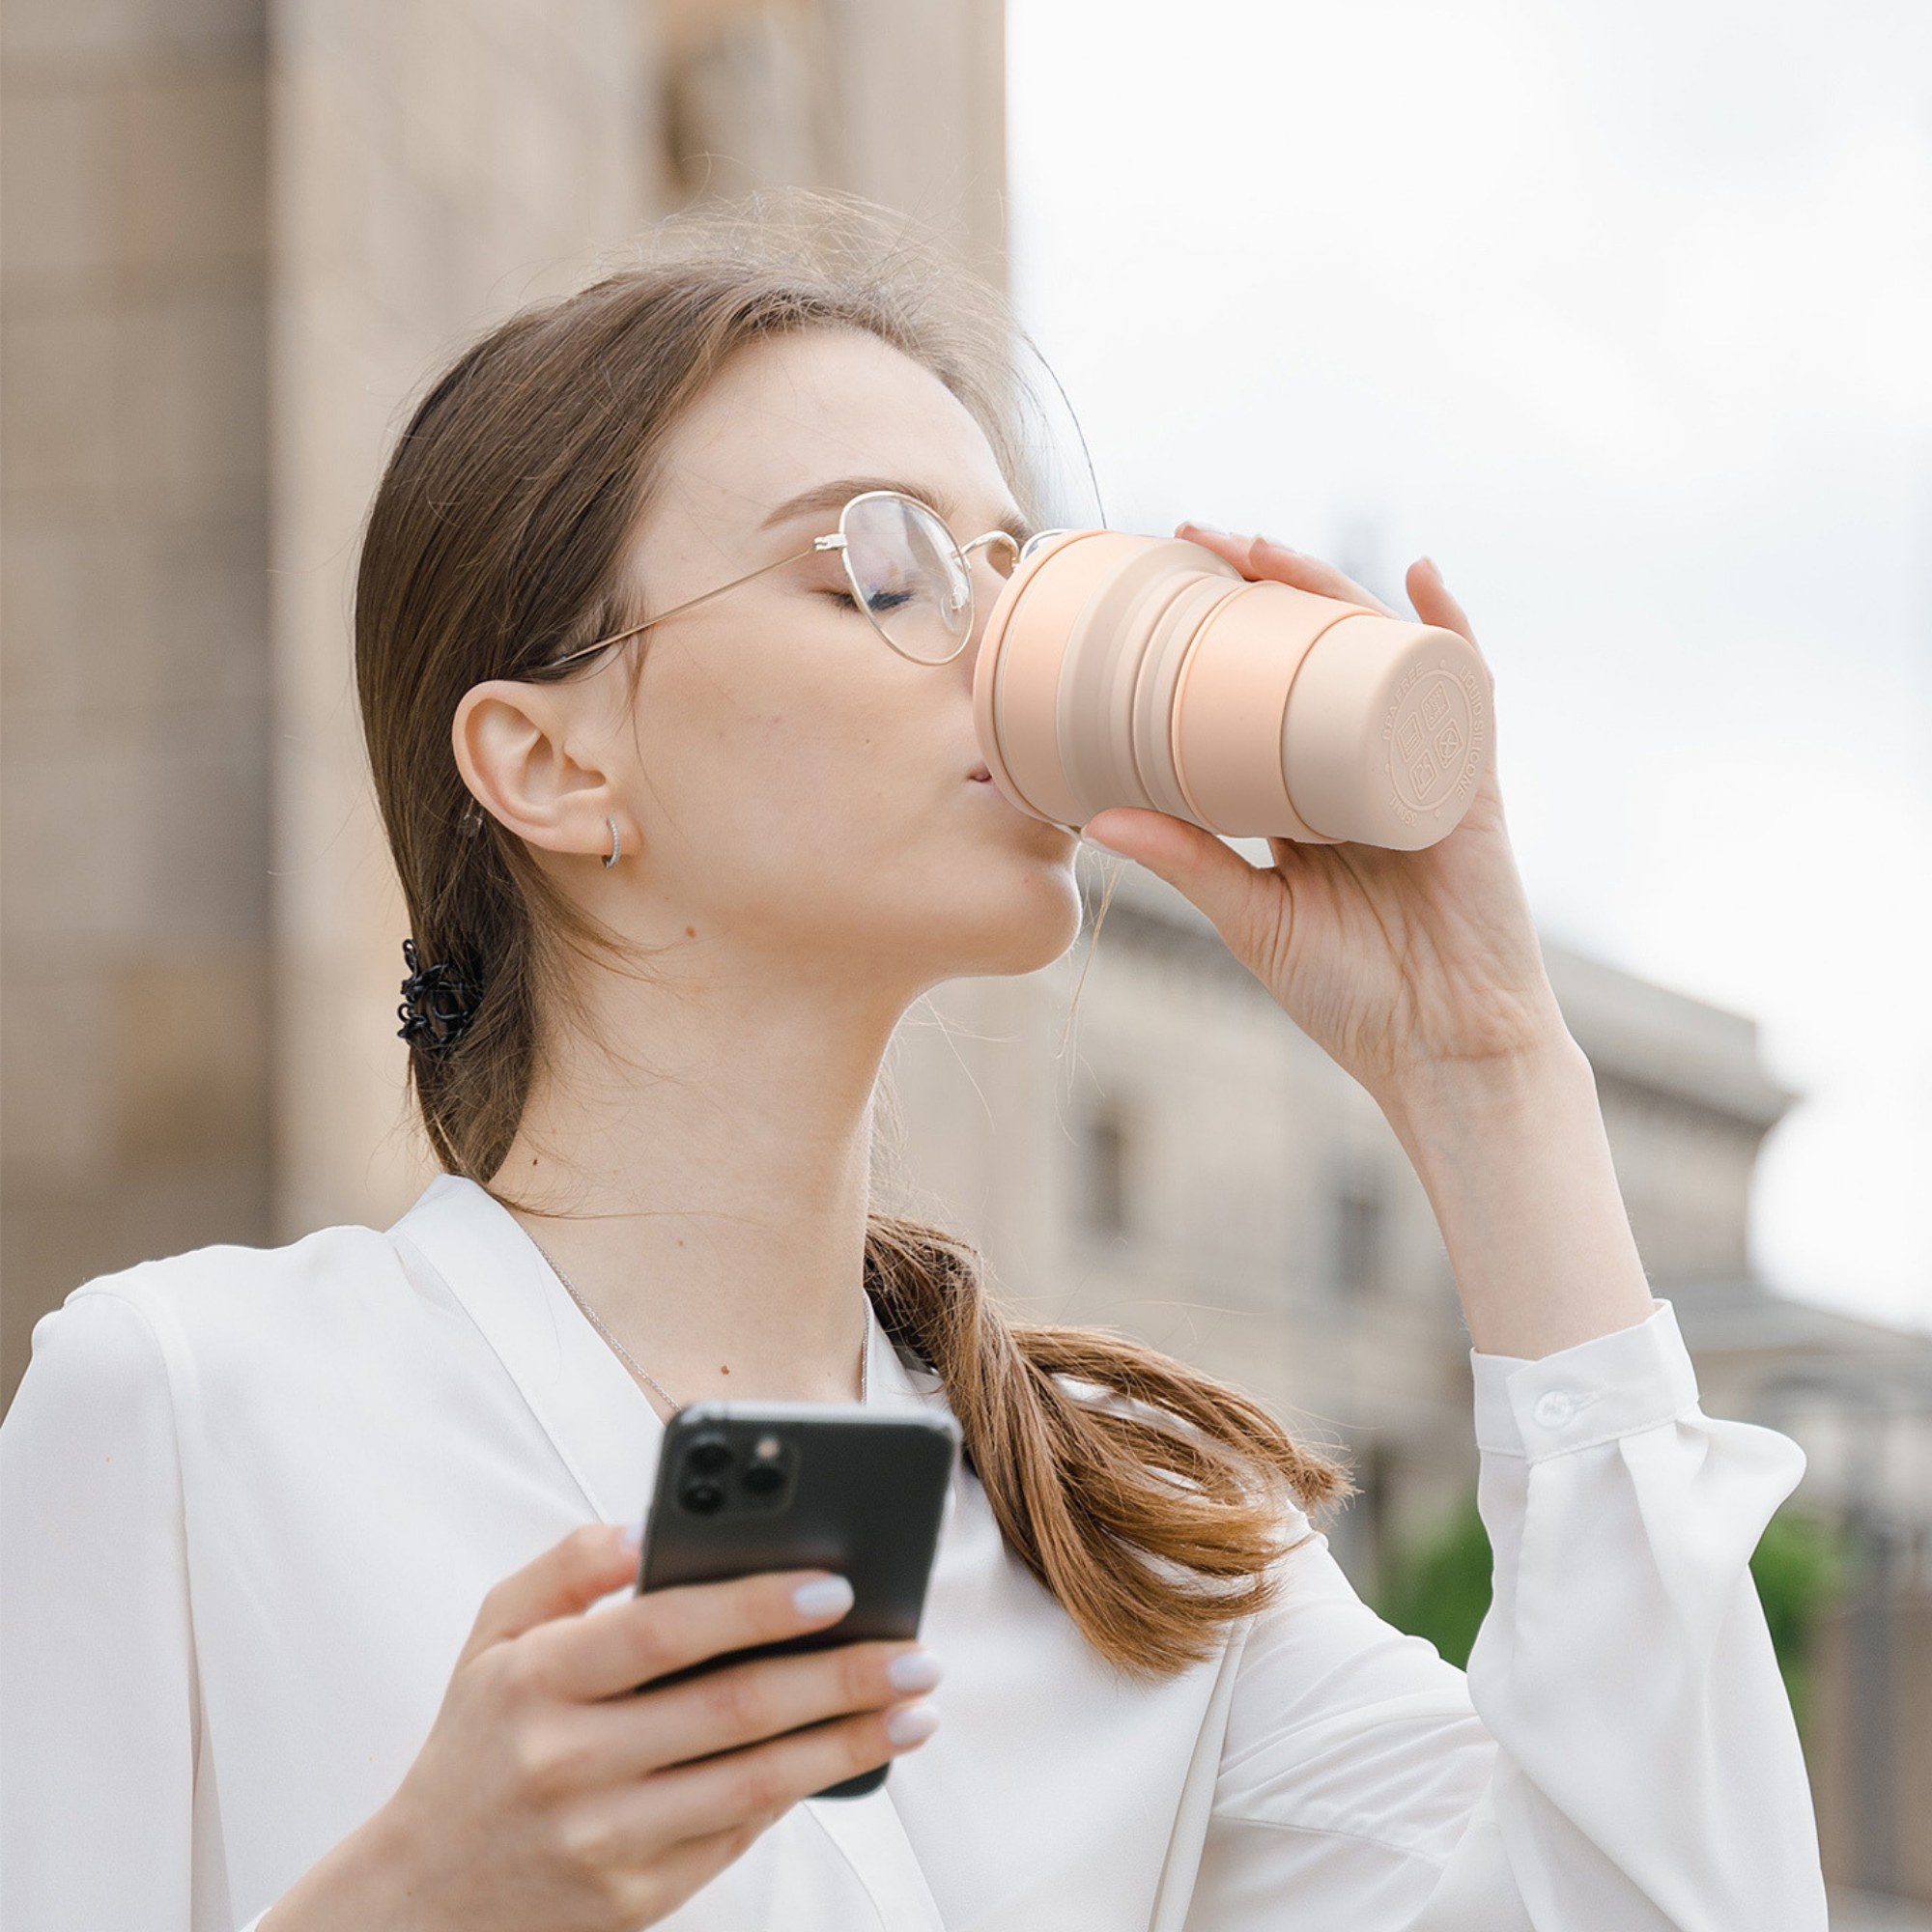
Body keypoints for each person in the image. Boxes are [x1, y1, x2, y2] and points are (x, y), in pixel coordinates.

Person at [1, 195, 1827, 1931]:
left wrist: (1490, 1072)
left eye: (1019, 568)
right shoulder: (188, 1402)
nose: (1010, 643)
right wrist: (412, 1897)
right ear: (552, 765)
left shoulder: (1141, 1547)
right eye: (880, 563)